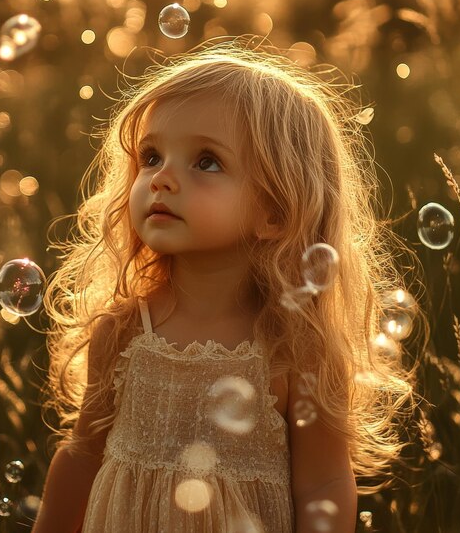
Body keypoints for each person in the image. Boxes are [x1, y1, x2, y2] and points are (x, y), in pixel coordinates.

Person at [31, 39, 425, 533]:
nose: (162, 179)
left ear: (277, 212)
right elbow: (81, 459)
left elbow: (324, 485)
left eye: (206, 162)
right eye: (151, 156)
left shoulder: (296, 348)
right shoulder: (125, 328)